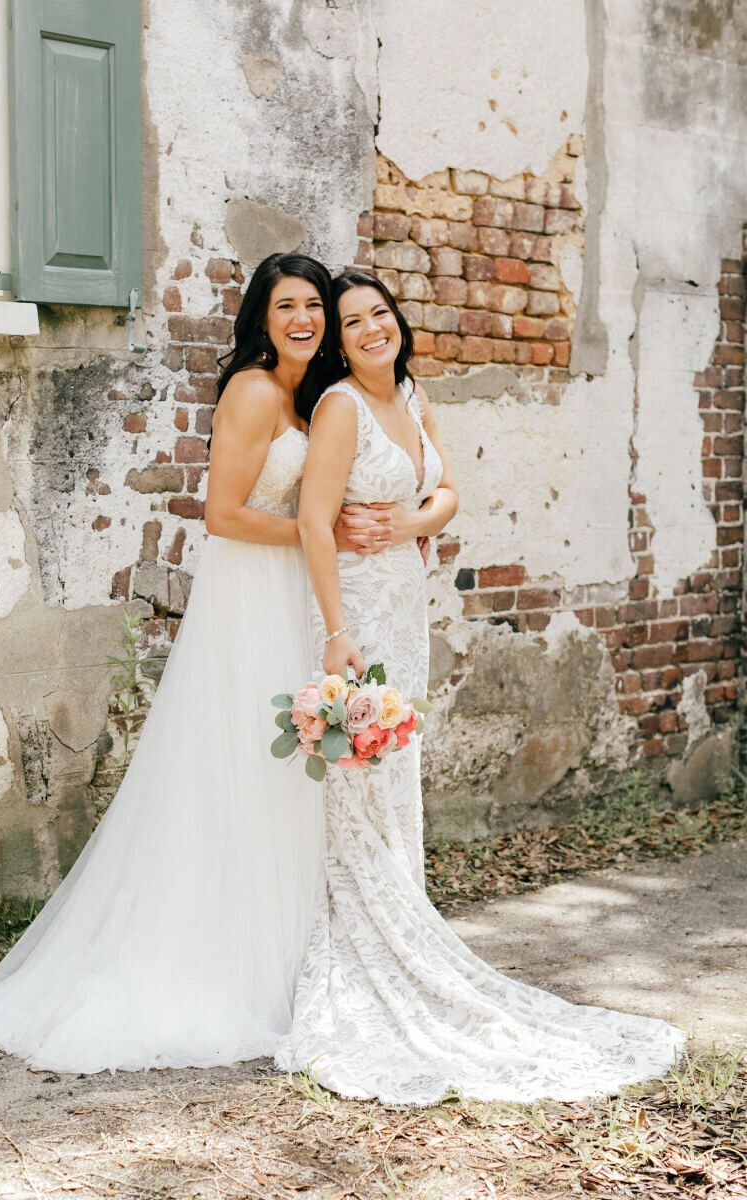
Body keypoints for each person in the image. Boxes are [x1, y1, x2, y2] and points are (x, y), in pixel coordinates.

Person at [0, 253, 391, 1073]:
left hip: (288, 592)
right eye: (287, 305)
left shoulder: (311, 396)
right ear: (261, 317)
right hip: (249, 591)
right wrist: (315, 532)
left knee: (284, 781)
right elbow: (221, 515)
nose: (306, 319)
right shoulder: (255, 391)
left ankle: (286, 958)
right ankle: (218, 963)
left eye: (315, 306)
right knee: (240, 770)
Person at [276, 269, 685, 1105]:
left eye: (377, 315)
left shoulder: (414, 395)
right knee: (357, 782)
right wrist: (336, 634)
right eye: (350, 322)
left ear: (398, 323)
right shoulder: (340, 408)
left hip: (403, 603)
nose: (367, 331)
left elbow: (447, 492)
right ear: (341, 342)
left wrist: (409, 522)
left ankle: (406, 922)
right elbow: (316, 522)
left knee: (398, 770)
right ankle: (362, 941)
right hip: (357, 612)